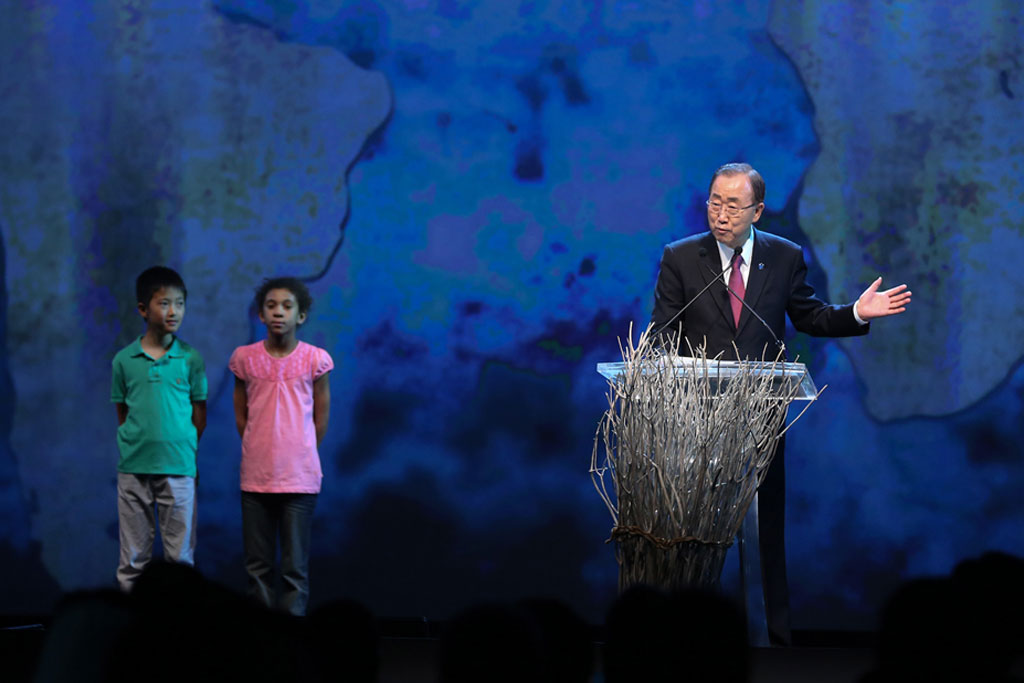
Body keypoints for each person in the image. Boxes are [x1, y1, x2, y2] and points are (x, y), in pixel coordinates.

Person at [650, 163, 911, 645]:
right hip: (692, 419)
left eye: (732, 205)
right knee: (688, 530)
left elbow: (808, 316)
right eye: (714, 201)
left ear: (757, 211)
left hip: (759, 418)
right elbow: (663, 332)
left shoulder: (784, 256)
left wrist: (856, 313)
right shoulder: (681, 258)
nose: (720, 214)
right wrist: (662, 369)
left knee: (762, 531)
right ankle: (679, 639)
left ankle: (773, 640)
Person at [229, 277, 333, 616]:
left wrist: (300, 453)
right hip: (256, 476)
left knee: (294, 568)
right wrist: (259, 449)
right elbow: (241, 414)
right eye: (271, 306)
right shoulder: (244, 358)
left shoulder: (315, 359)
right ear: (261, 314)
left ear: (301, 316)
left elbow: (320, 416)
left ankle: (291, 642)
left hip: (299, 479)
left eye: (287, 307)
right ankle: (261, 640)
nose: (279, 313)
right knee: (257, 566)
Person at [111, 266, 207, 592]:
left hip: (179, 467)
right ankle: (128, 629)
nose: (174, 311)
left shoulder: (191, 358)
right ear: (143, 309)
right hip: (134, 467)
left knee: (180, 558)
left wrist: (185, 445)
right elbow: (122, 411)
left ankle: (180, 632)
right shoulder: (124, 360)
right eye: (164, 303)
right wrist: (136, 442)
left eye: (180, 303)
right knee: (133, 559)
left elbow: (199, 410)